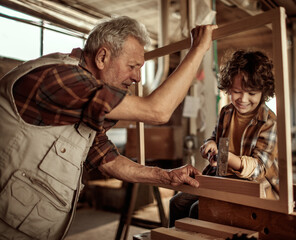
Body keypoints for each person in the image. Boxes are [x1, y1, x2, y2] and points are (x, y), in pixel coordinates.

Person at [0, 16, 217, 239]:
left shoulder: (80, 103)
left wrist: (166, 177)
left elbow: (108, 161)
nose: (138, 78)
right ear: (102, 57)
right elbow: (157, 111)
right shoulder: (62, 78)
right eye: (132, 66)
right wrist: (198, 49)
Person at [169, 49, 279, 227]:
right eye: (237, 91)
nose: (243, 99)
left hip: (254, 187)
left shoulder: (269, 122)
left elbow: (259, 168)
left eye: (251, 93)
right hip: (221, 179)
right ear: (228, 87)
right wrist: (210, 145)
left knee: (197, 210)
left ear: (263, 91)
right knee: (177, 202)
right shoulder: (226, 112)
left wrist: (228, 158)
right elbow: (215, 138)